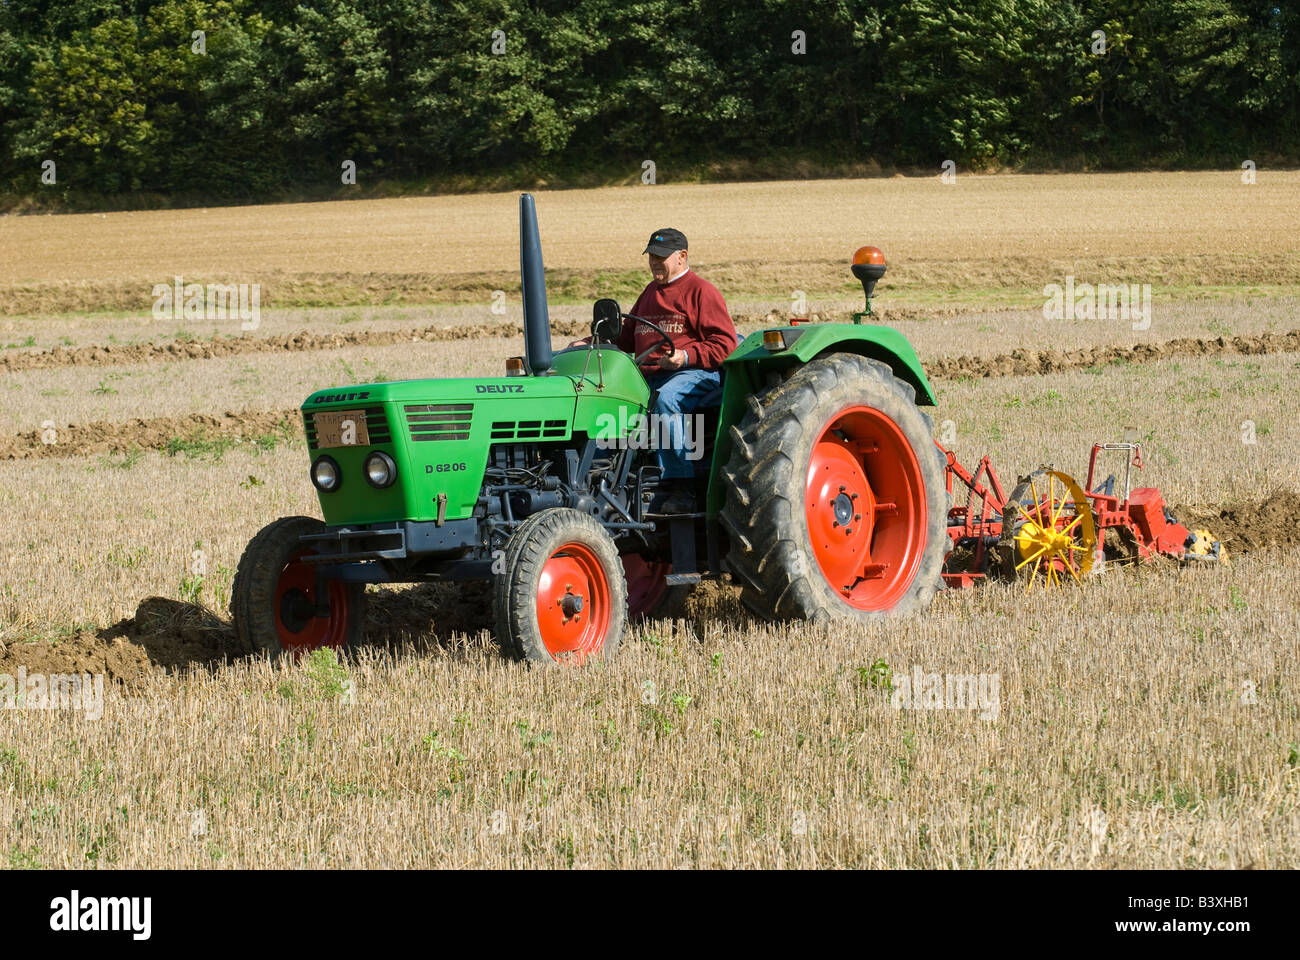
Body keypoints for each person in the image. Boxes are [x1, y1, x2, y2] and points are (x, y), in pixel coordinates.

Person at [577, 228, 737, 512]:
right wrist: (589, 342)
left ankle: (681, 487)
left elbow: (726, 345)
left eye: (660, 257)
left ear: (681, 257)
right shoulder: (650, 292)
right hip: (650, 375)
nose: (654, 262)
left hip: (695, 373)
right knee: (606, 400)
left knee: (665, 398)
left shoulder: (701, 291)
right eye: (651, 256)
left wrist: (685, 356)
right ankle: (598, 477)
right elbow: (626, 336)